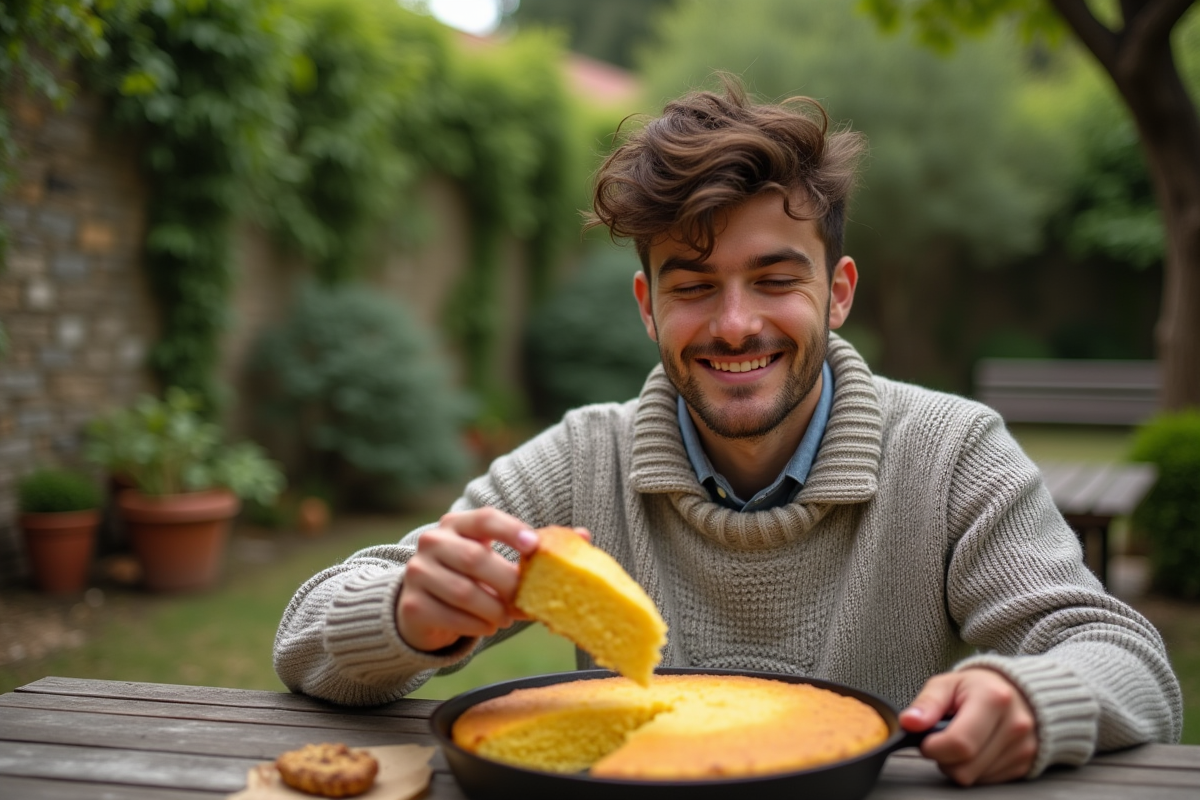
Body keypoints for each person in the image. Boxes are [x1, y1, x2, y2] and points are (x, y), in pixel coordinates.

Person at [274, 78, 1181, 786]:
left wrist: (1030, 691)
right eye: (694, 285)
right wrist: (412, 618)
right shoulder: (584, 458)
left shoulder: (951, 454)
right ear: (648, 305)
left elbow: (1128, 660)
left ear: (840, 292)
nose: (736, 324)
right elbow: (305, 636)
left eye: (776, 279)